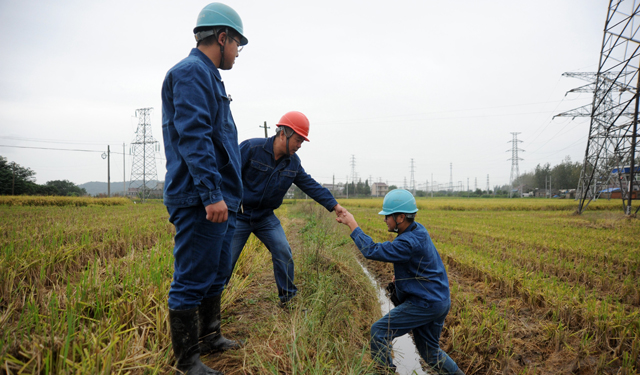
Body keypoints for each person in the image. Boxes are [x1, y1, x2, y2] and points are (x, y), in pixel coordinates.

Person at [161, 3, 248, 374]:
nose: (238, 52)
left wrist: (227, 195)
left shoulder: (210, 76)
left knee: (216, 271)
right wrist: (212, 193)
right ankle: (187, 362)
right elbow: (194, 136)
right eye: (237, 44)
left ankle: (210, 337)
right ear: (222, 37)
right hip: (201, 198)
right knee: (192, 277)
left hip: (221, 199)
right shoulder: (191, 73)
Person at [217, 111, 346, 306]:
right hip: (239, 215)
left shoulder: (293, 163)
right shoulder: (251, 148)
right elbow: (226, 174)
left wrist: (334, 205)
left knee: (283, 251)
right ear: (283, 133)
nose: (300, 145)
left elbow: (310, 185)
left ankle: (288, 299)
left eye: (302, 141)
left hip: (265, 217)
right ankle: (211, 305)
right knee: (225, 261)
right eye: (298, 139)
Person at [335, 189, 464, 375]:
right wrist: (406, 276)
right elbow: (420, 264)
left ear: (401, 217)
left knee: (379, 332)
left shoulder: (407, 242)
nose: (385, 220)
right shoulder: (418, 229)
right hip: (439, 300)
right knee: (430, 353)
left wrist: (352, 224)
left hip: (425, 303)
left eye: (387, 216)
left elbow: (371, 251)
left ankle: (385, 372)